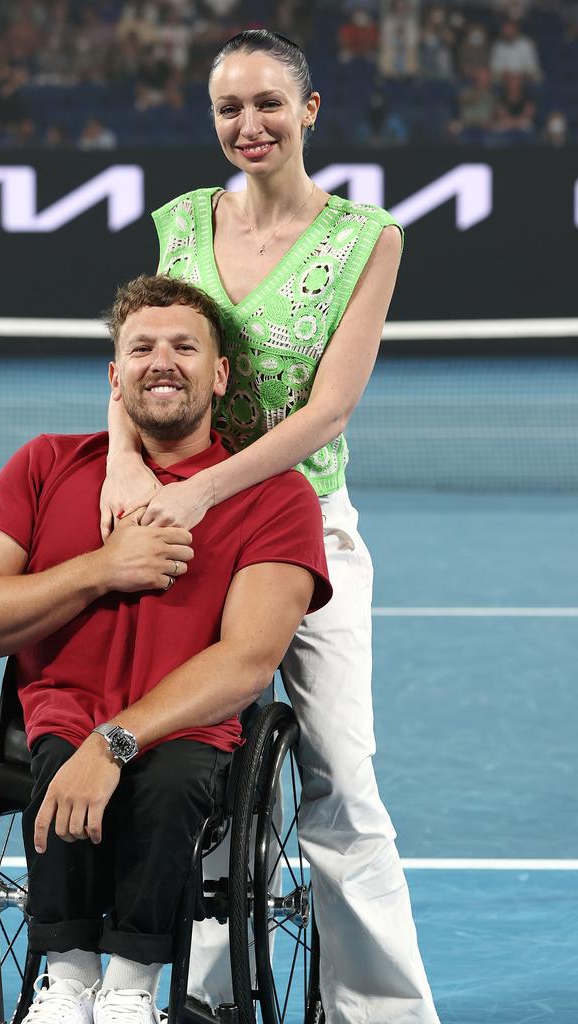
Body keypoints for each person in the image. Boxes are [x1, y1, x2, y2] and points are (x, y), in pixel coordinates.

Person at [100, 29, 441, 1024]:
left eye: (266, 104)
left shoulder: (366, 239)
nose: (247, 125)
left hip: (306, 525)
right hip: (183, 521)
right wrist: (125, 454)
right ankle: (204, 997)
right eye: (227, 109)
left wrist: (209, 489)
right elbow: (148, 352)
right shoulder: (180, 222)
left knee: (341, 775)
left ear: (310, 111)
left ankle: (381, 1011)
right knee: (199, 761)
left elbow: (327, 410)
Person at [0, 274, 332, 1024]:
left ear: (219, 375)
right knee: (53, 755)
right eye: (142, 347)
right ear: (115, 378)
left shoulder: (278, 498)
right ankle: (66, 980)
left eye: (185, 346)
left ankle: (129, 989)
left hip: (187, 735)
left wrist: (113, 742)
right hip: (57, 725)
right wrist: (101, 568)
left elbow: (249, 660)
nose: (163, 361)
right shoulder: (46, 464)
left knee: (172, 774)